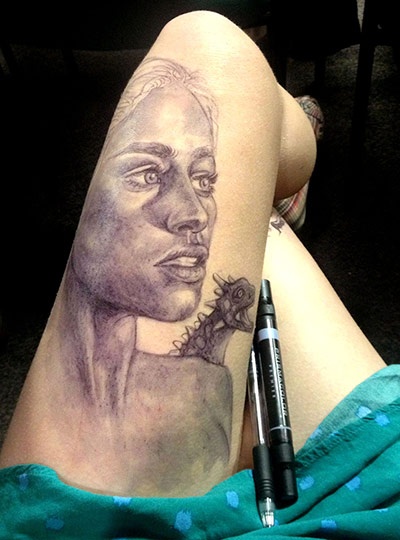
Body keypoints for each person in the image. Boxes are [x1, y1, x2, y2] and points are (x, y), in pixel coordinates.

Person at [0, 10, 399, 539]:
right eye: (148, 173)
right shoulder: (196, 387)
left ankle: (272, 173)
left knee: (208, 47)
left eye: (205, 180)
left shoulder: (199, 386)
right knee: (213, 45)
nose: (195, 214)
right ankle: (279, 165)